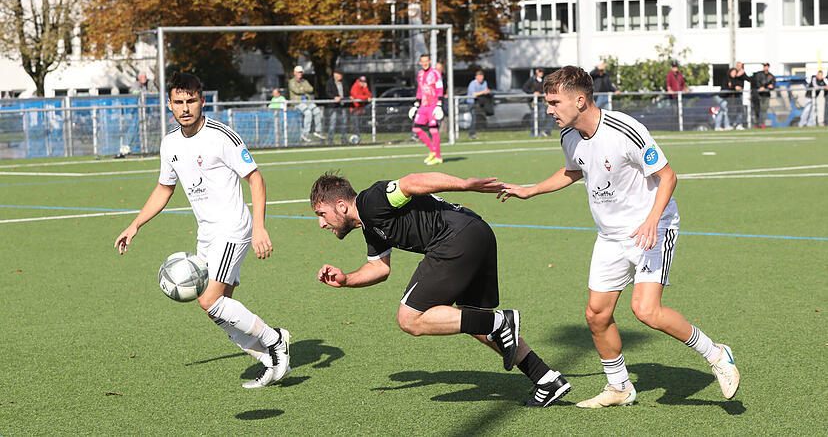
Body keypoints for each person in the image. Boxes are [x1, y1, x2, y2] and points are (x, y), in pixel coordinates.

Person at [497, 66, 740, 408]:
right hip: (610, 236)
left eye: (554, 102)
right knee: (596, 315)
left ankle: (716, 354)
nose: (548, 110)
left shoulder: (625, 129)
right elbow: (573, 170)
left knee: (646, 310)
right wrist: (530, 190)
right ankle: (620, 387)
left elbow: (668, 177)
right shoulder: (568, 136)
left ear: (580, 100)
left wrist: (653, 221)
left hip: (652, 228)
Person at [310, 171, 571, 407]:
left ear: (342, 206)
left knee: (409, 319)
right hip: (477, 233)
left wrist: (466, 184)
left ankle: (500, 321)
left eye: (322, 214)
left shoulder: (371, 201)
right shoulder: (370, 227)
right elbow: (379, 269)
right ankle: (546, 378)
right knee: (475, 322)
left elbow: (412, 182)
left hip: (453, 238)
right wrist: (346, 279)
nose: (321, 224)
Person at [114, 72, 291, 389]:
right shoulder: (169, 144)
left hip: (233, 228)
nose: (185, 108)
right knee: (218, 310)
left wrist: (261, 227)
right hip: (207, 233)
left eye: (191, 101)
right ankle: (269, 360)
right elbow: (163, 189)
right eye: (179, 102)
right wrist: (135, 224)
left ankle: (276, 340)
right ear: (169, 104)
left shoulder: (222, 137)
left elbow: (256, 179)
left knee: (209, 300)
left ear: (202, 100)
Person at [409, 54, 444, 165]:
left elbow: (440, 89)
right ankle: (433, 151)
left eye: (426, 61)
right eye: (422, 61)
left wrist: (439, 104)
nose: (424, 63)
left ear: (430, 61)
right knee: (416, 129)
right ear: (420, 63)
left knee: (433, 130)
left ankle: (438, 157)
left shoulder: (435, 73)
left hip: (433, 105)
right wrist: (416, 104)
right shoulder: (419, 74)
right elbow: (420, 90)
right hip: (423, 106)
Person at [288, 65, 324, 142]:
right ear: (295, 73)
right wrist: (304, 89)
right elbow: (296, 91)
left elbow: (311, 89)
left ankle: (318, 131)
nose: (300, 74)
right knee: (308, 113)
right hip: (297, 102)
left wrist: (302, 89)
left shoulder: (305, 81)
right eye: (298, 72)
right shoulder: (291, 82)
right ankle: (305, 133)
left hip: (307, 101)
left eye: (301, 72)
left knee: (317, 111)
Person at [523, 67, 554, 136]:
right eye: (540, 72)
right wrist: (533, 93)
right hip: (534, 102)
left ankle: (546, 132)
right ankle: (534, 132)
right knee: (534, 117)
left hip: (543, 101)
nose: (541, 73)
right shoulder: (532, 80)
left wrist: (545, 93)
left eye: (542, 72)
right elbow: (525, 88)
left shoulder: (543, 80)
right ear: (537, 71)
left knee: (548, 116)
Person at [325, 69, 349, 144]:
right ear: (335, 74)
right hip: (333, 106)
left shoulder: (344, 82)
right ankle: (330, 140)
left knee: (344, 122)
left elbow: (347, 92)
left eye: (341, 75)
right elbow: (328, 92)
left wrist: (347, 98)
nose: (340, 76)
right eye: (339, 74)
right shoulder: (330, 82)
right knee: (333, 122)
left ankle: (343, 139)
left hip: (342, 105)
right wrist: (334, 97)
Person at [466, 70, 491, 140]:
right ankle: (472, 134)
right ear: (476, 77)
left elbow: (486, 91)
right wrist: (483, 92)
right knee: (473, 117)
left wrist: (487, 92)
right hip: (472, 102)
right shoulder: (472, 84)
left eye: (482, 77)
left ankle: (483, 130)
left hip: (480, 102)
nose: (481, 79)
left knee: (481, 117)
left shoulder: (484, 82)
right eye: (479, 77)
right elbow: (474, 94)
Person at [751, 63, 775, 128]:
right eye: (764, 66)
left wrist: (769, 87)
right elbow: (757, 83)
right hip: (759, 95)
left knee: (764, 110)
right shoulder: (759, 74)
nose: (765, 67)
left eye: (766, 66)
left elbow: (773, 85)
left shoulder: (771, 76)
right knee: (757, 109)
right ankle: (757, 124)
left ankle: (762, 124)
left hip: (766, 95)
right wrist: (761, 87)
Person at [349, 75, 371, 140]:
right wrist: (366, 98)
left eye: (364, 82)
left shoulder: (363, 87)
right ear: (358, 81)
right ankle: (356, 138)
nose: (362, 83)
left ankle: (358, 138)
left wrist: (366, 88)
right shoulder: (355, 86)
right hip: (355, 109)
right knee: (356, 125)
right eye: (361, 81)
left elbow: (369, 95)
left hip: (361, 109)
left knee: (360, 124)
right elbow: (357, 97)